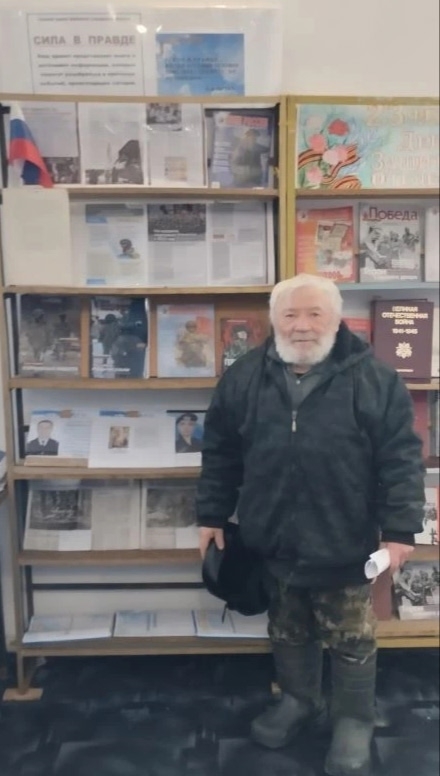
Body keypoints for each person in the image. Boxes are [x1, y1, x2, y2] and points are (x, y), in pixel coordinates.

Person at [196, 274, 425, 776]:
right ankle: (300, 701)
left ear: (337, 319)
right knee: (288, 630)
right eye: (290, 314)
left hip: (345, 541)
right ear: (274, 320)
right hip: (272, 538)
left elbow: (401, 460)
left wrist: (400, 530)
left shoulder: (376, 380)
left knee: (351, 639)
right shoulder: (245, 377)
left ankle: (353, 719)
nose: (301, 326)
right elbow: (220, 451)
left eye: (314, 314)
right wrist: (212, 513)